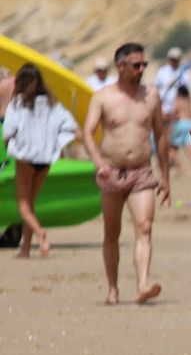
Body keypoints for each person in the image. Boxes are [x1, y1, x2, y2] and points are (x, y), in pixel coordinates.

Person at [83, 42, 171, 305]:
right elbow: (88, 132)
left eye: (144, 64)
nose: (141, 69)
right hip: (111, 172)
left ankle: (143, 283)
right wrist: (99, 163)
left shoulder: (151, 95)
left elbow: (160, 134)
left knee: (145, 227)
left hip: (142, 171)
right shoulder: (103, 96)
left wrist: (165, 175)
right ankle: (112, 289)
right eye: (136, 65)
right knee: (112, 232)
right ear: (120, 66)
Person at [3, 63, 79, 257]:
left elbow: (8, 133)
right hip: (45, 159)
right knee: (31, 203)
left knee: (23, 204)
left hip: (26, 157)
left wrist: (8, 149)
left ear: (19, 82)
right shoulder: (52, 103)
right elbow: (71, 127)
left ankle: (40, 232)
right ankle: (26, 248)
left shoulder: (18, 103)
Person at [153, 46, 190, 118]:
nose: (174, 61)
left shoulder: (183, 73)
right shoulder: (162, 71)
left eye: (176, 59)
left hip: (178, 111)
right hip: (164, 108)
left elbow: (187, 92)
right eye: (173, 59)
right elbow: (156, 88)